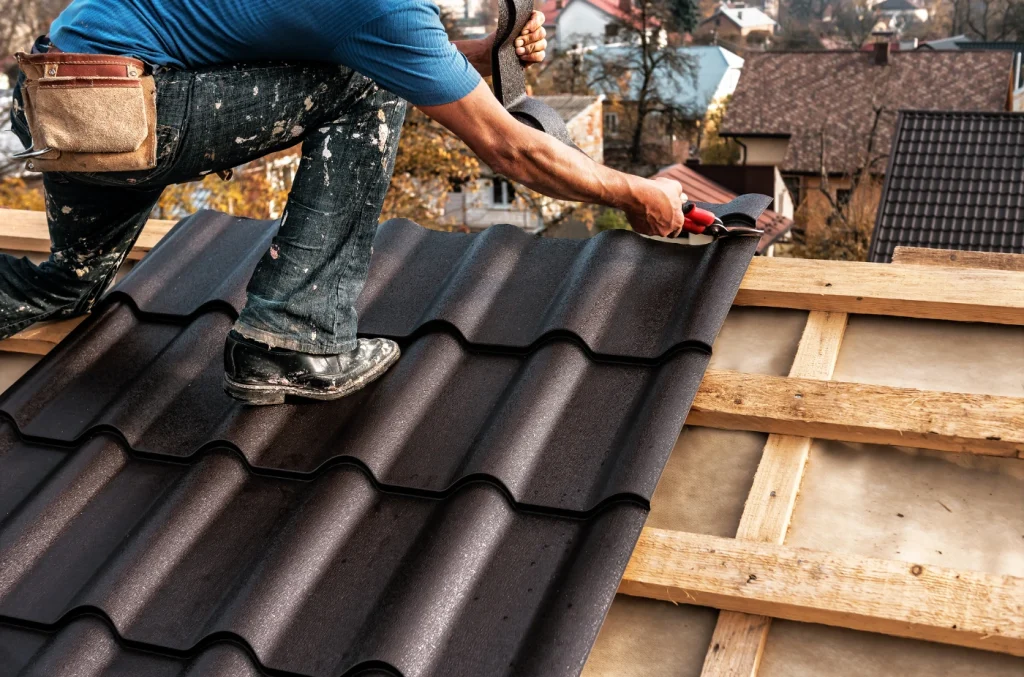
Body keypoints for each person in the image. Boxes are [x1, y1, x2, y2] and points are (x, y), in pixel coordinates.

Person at [6, 0, 688, 405]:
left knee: (66, 287)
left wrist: (477, 53)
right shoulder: (384, 7)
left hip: (61, 100)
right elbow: (510, 150)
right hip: (132, 110)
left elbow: (309, 34)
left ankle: (47, 286)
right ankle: (295, 334)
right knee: (370, 83)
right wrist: (638, 192)